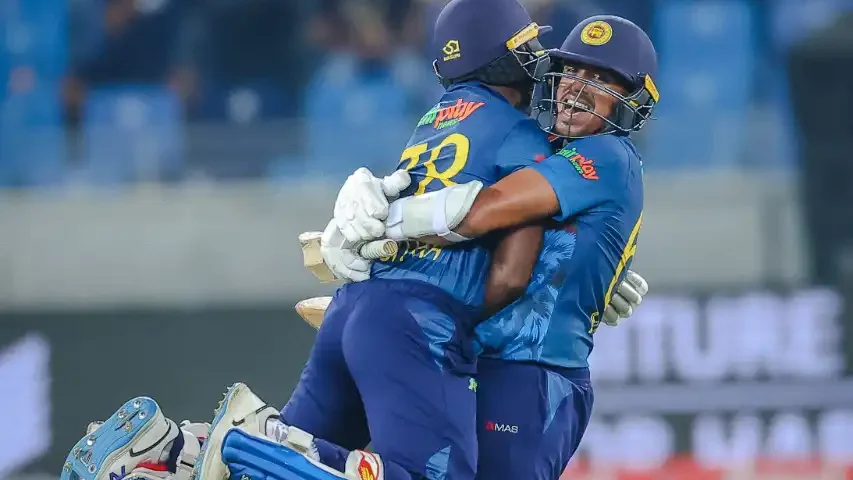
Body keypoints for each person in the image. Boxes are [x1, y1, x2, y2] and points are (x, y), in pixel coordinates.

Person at [59, 1, 574, 479]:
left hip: (352, 307)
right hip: (421, 324)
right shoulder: (520, 133)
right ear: (496, 56)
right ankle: (259, 434)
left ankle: (172, 447)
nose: (535, 59)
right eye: (524, 46)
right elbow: (512, 275)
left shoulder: (431, 121)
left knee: (269, 469)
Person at [328, 14, 659, 479]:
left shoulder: (607, 154)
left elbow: (483, 211)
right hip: (484, 363)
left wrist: (374, 220)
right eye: (573, 71)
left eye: (601, 79)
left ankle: (278, 449)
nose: (577, 87)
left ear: (632, 101)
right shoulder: (545, 147)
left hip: (534, 375)